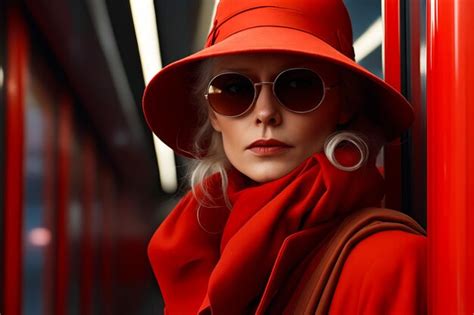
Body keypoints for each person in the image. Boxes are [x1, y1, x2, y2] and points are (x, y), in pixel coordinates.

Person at [142, 0, 427, 314]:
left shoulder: (393, 261)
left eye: (297, 86)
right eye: (234, 89)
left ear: (344, 105)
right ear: (213, 115)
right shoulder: (194, 247)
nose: (265, 113)